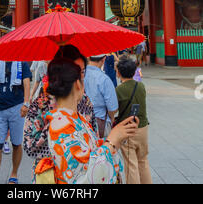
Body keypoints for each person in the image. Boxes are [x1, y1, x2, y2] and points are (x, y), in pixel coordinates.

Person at [44, 57, 139, 184]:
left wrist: (118, 134)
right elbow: (85, 178)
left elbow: (91, 151)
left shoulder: (73, 118)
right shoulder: (63, 126)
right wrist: (111, 142)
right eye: (83, 74)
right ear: (78, 84)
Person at [23, 45, 98, 183]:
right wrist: (57, 124)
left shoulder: (85, 102)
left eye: (82, 72)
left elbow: (94, 134)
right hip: (51, 175)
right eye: (75, 72)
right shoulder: (41, 103)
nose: (80, 77)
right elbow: (29, 146)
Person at [0, 60, 32, 184]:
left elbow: (26, 83)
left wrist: (26, 103)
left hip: (17, 107)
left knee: (16, 144)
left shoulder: (22, 64)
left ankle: (14, 173)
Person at [116, 57, 152, 185]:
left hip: (129, 129)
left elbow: (114, 109)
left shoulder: (119, 90)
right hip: (143, 127)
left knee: (131, 164)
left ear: (119, 73)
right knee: (143, 161)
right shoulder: (141, 85)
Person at [84, 54, 119, 138]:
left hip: (82, 121)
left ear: (88, 57)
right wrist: (112, 118)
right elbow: (113, 108)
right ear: (104, 59)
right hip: (100, 121)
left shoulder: (80, 75)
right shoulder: (104, 79)